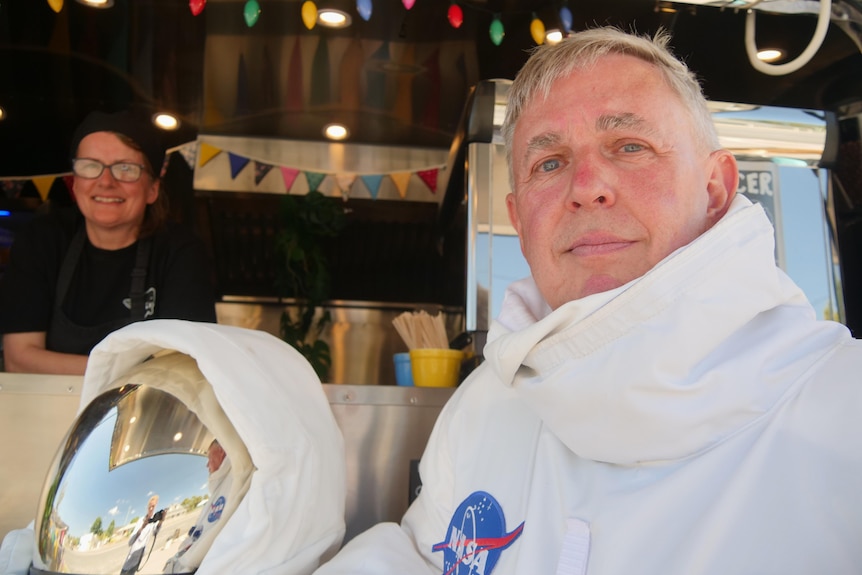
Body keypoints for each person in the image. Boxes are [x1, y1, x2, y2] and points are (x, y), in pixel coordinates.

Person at [313, 27, 862, 575]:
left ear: (715, 191)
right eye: (548, 162)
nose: (587, 185)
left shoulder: (843, 410)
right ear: (520, 223)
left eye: (630, 146)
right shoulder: (484, 405)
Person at [0, 110, 217, 375]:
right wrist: (128, 370)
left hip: (144, 411)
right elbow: (19, 360)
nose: (105, 182)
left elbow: (184, 366)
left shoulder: (180, 252)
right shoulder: (41, 241)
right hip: (47, 409)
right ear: (75, 184)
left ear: (152, 189)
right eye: (91, 166)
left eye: (125, 169)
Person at [163, 439, 233, 574]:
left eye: (209, 458)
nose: (207, 465)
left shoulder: (231, 482)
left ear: (222, 452)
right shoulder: (216, 492)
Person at [121, 494, 163, 575]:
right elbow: (130, 542)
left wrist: (161, 521)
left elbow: (156, 532)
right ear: (147, 507)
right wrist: (142, 527)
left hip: (138, 559)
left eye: (153, 507)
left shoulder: (153, 522)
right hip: (130, 559)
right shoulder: (140, 520)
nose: (151, 509)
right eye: (150, 506)